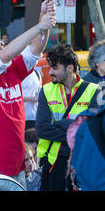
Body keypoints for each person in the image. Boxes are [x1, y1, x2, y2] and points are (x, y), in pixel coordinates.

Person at [0, 0, 56, 188]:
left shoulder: (12, 70)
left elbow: (36, 48)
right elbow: (7, 54)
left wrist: (44, 15)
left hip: (16, 165)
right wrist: (39, 26)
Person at [35, 44, 100, 191]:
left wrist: (61, 124)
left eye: (55, 68)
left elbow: (92, 132)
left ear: (70, 68)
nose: (50, 72)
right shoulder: (46, 90)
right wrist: (75, 130)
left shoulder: (93, 90)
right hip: (53, 163)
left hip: (81, 163)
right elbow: (42, 129)